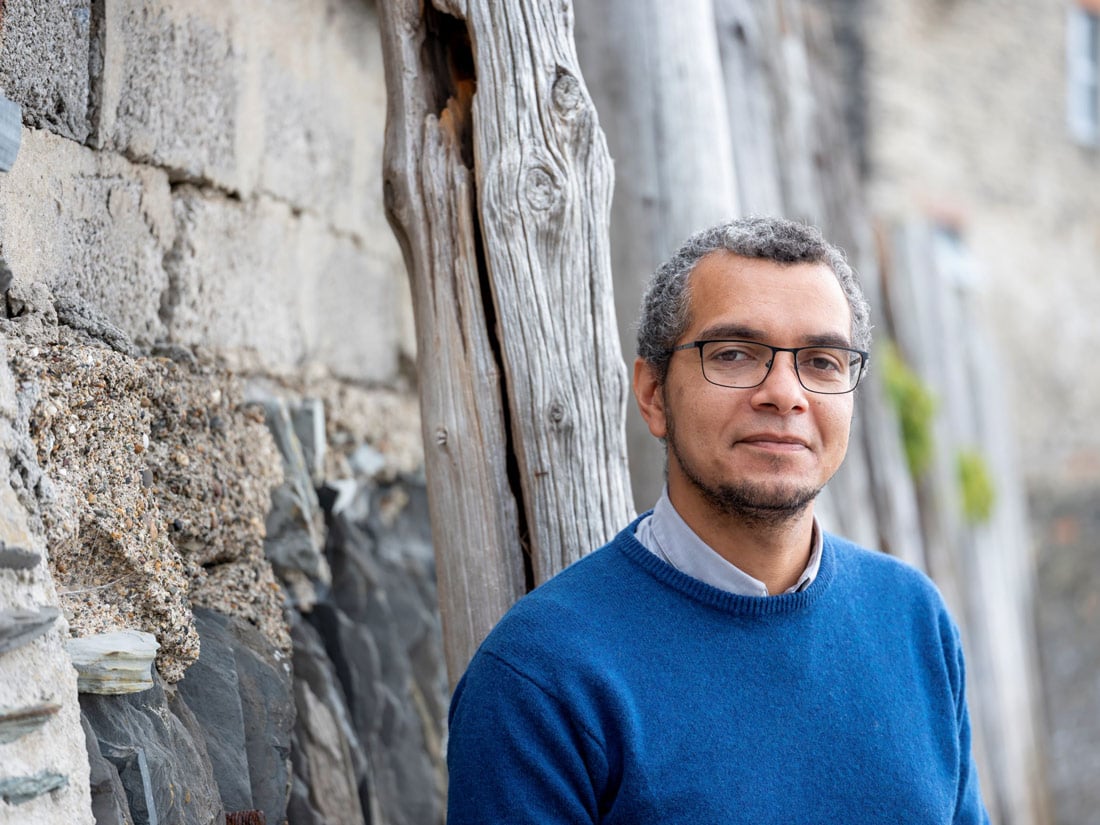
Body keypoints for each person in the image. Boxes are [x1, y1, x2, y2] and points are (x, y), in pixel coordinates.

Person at [446, 216, 990, 823]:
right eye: (733, 354)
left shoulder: (912, 618)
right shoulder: (540, 677)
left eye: (822, 361)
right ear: (653, 394)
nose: (785, 393)